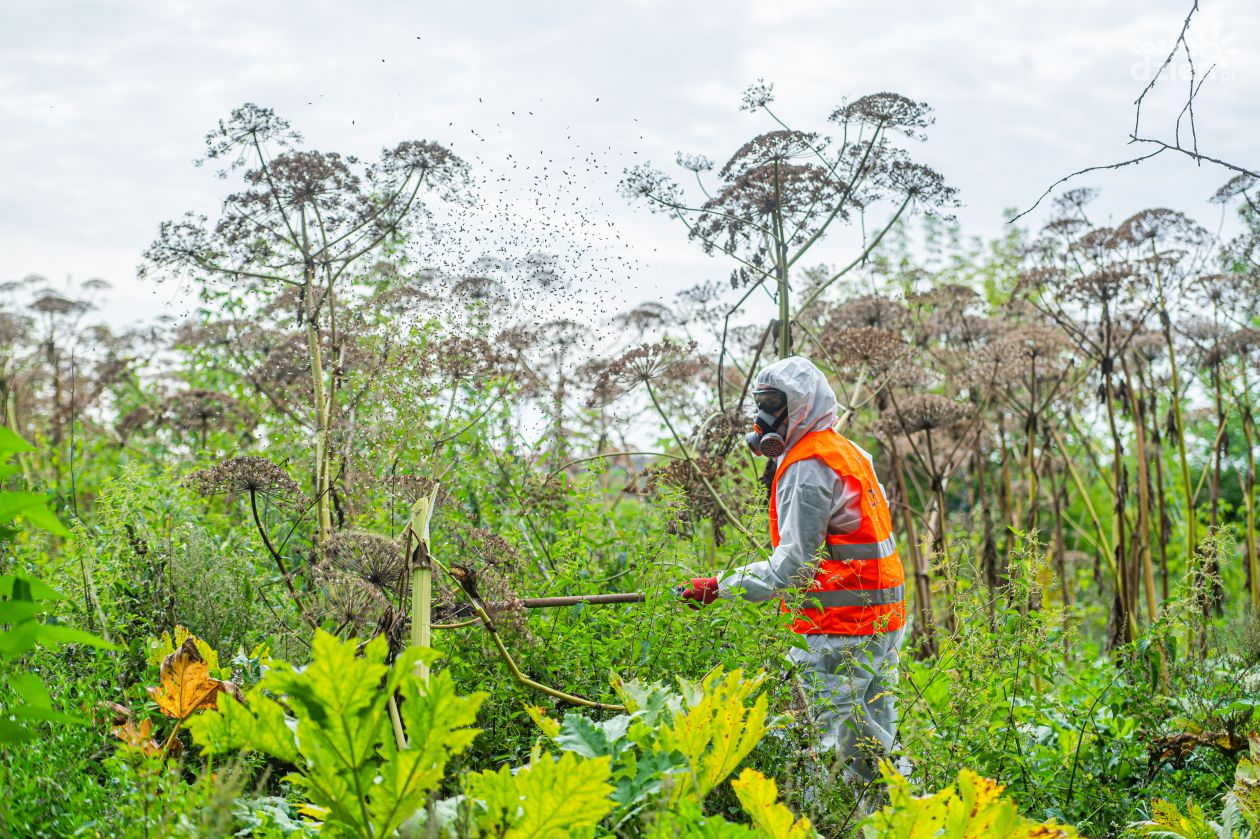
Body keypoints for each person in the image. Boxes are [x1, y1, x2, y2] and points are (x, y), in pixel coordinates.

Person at [678, 356, 908, 790]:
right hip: (883, 619)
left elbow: (792, 565)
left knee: (818, 742)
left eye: (775, 404)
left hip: (839, 628)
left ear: (802, 406)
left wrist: (717, 587)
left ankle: (814, 823)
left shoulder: (807, 467)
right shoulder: (846, 450)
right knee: (872, 739)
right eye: (761, 403)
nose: (765, 417)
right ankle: (894, 821)